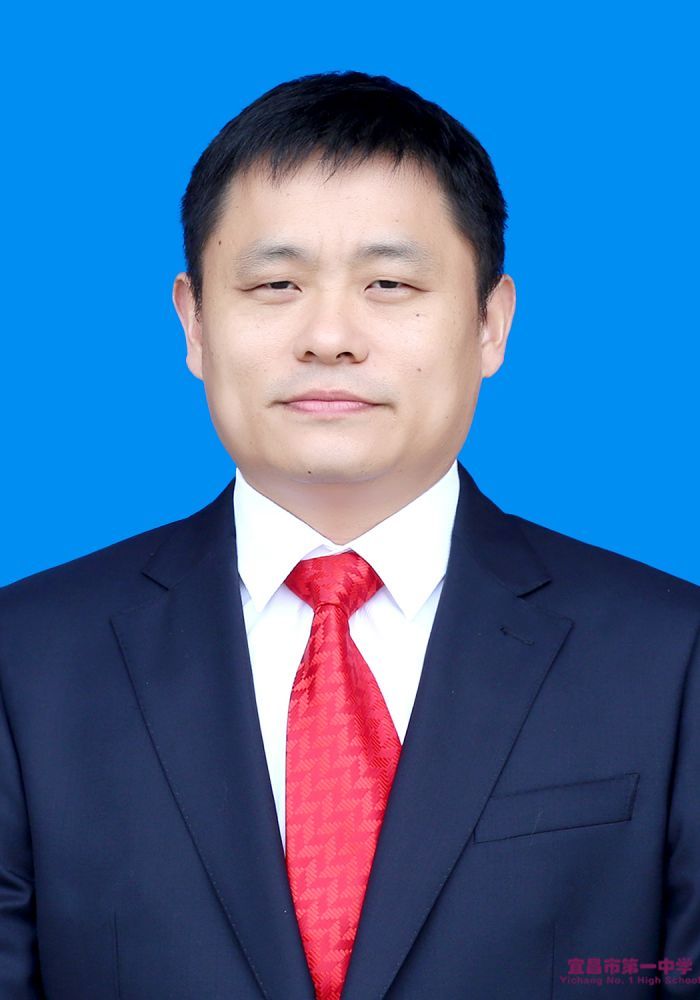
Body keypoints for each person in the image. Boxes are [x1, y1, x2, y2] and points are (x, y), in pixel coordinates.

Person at [0, 70, 698, 1000]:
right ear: (195, 323)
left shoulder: (670, 655)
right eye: (277, 283)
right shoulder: (28, 661)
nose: (329, 336)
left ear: (490, 323)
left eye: (389, 283)